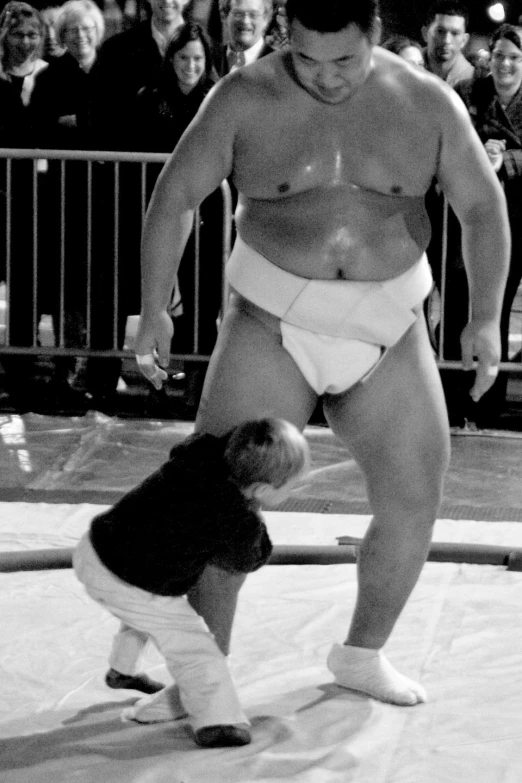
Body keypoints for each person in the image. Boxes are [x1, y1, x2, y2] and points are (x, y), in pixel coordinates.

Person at [135, 0, 509, 707]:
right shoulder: (243, 98)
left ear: (373, 37)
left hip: (386, 325)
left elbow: (483, 207)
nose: (326, 77)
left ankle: (361, 654)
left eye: (344, 60)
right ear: (284, 38)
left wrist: (485, 317)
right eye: (307, 59)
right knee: (218, 495)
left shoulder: (425, 102)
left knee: (415, 495)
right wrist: (154, 307)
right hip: (271, 322)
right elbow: (177, 194)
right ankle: (200, 673)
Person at [73, 417, 310, 748]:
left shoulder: (198, 454)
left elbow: (196, 443)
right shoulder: (234, 518)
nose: (294, 491)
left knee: (143, 617)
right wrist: (254, 515)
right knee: (195, 648)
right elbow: (249, 559)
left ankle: (122, 669)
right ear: (261, 490)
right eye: (291, 487)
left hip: (95, 549)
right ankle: (218, 721)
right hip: (127, 580)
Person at [454, 24, 522, 427]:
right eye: (499, 55)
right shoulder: (470, 93)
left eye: (515, 57)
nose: (506, 64)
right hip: (493, 223)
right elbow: (456, 140)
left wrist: (507, 159)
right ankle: (482, 407)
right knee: (487, 309)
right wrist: (482, 151)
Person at [422, 0, 474, 87]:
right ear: (425, 33)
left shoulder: (474, 83)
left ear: (464, 40)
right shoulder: (404, 68)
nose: (446, 40)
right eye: (440, 31)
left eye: (455, 33)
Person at [216, 0, 273, 75]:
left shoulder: (279, 65)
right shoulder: (209, 60)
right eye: (238, 14)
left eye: (253, 15)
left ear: (266, 19)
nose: (245, 21)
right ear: (224, 16)